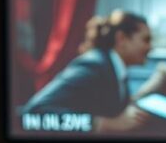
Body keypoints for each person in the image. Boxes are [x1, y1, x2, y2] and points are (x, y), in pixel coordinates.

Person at [21, 9, 151, 133]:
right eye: (146, 40)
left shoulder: (116, 70)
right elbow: (35, 112)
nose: (150, 47)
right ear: (121, 39)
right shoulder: (94, 65)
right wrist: (104, 124)